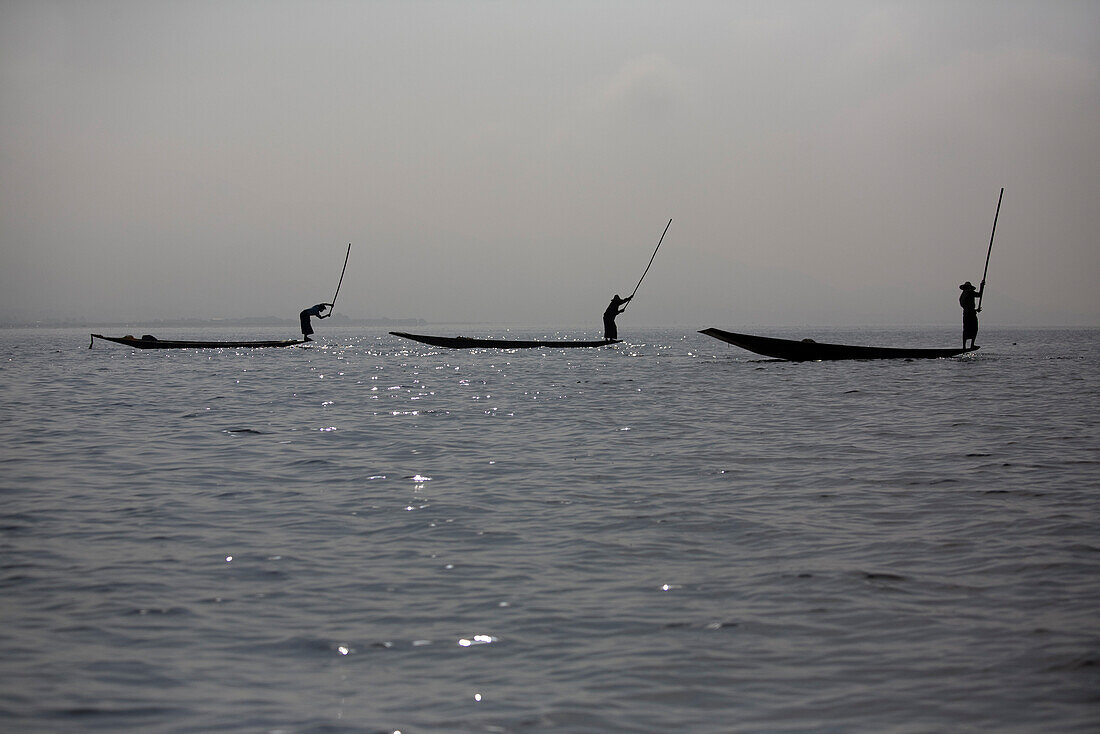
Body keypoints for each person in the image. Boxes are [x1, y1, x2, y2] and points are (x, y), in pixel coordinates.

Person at [959, 280, 984, 349]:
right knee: (974, 328)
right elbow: (979, 295)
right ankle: (971, 345)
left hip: (966, 313)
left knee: (966, 329)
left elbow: (965, 306)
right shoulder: (969, 292)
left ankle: (964, 346)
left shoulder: (962, 295)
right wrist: (981, 286)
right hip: (970, 314)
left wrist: (975, 310)